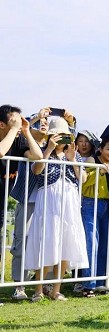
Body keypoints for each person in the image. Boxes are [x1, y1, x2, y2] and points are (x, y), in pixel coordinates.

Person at [24, 117, 88, 301]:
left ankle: (56, 290)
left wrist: (72, 160)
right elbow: (37, 171)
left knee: (66, 242)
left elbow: (82, 178)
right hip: (49, 200)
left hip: (69, 200)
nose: (61, 139)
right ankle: (38, 289)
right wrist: (49, 149)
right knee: (45, 241)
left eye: (65, 136)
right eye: (58, 135)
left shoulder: (73, 154)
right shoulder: (43, 151)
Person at [7, 107, 47, 300]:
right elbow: (35, 154)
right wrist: (32, 122)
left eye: (48, 124)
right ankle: (19, 284)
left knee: (44, 243)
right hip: (27, 200)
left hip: (48, 202)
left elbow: (70, 138)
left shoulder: (50, 146)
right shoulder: (23, 144)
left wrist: (70, 121)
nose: (45, 126)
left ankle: (43, 283)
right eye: (41, 123)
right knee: (21, 242)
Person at [80, 139, 109, 296]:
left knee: (105, 244)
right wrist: (100, 171)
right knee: (92, 243)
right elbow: (83, 183)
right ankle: (88, 285)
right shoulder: (92, 161)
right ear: (101, 149)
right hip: (91, 203)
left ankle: (101, 283)